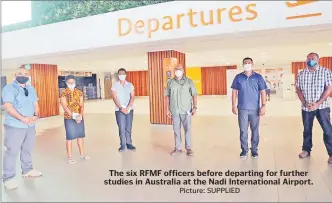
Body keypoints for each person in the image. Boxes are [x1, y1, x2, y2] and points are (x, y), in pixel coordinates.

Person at [2, 67, 42, 190]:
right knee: (11, 151)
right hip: (15, 125)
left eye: (25, 73)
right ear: (15, 75)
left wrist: (36, 115)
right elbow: (8, 107)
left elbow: (36, 104)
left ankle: (27, 170)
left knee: (27, 149)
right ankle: (8, 178)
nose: (23, 75)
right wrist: (22, 118)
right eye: (20, 73)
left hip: (30, 125)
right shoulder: (9, 88)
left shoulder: (31, 88)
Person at [295, 52, 332, 164]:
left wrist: (318, 103)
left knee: (327, 130)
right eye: (308, 58)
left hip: (322, 107)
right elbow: (298, 89)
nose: (310, 60)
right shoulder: (301, 74)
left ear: (318, 60)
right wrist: (304, 102)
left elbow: (328, 88)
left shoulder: (325, 72)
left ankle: (331, 154)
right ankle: (306, 150)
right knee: (307, 130)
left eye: (313, 58)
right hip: (306, 108)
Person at [231, 57, 267, 159]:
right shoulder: (238, 77)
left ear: (252, 64)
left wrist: (263, 105)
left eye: (249, 63)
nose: (247, 64)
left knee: (255, 130)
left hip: (255, 109)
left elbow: (263, 92)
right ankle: (244, 150)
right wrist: (233, 105)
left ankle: (254, 150)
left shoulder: (258, 77)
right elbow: (234, 92)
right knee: (243, 131)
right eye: (245, 63)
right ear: (243, 65)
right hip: (242, 109)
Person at [165, 64, 198, 156]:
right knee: (176, 130)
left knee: (187, 129)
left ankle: (188, 148)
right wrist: (167, 109)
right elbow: (167, 96)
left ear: (183, 71)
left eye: (179, 69)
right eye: (176, 69)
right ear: (174, 71)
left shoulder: (189, 82)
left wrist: (195, 107)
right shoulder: (170, 82)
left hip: (186, 110)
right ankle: (178, 148)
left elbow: (194, 94)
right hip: (175, 110)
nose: (177, 71)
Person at [60, 75, 90, 163]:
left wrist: (80, 115)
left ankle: (82, 154)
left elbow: (82, 105)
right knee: (69, 137)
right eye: (69, 82)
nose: (71, 84)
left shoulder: (79, 92)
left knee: (80, 136)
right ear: (66, 83)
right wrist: (74, 116)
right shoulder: (63, 93)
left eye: (73, 82)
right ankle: (70, 157)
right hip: (69, 118)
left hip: (79, 117)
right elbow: (65, 107)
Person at [111, 68, 136, 152]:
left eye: (123, 73)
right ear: (118, 75)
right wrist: (121, 108)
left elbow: (132, 96)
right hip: (119, 110)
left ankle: (129, 143)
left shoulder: (130, 85)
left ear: (126, 74)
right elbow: (114, 98)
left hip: (129, 109)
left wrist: (128, 107)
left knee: (128, 127)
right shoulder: (115, 85)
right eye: (120, 74)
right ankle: (122, 144)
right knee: (121, 127)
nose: (122, 75)